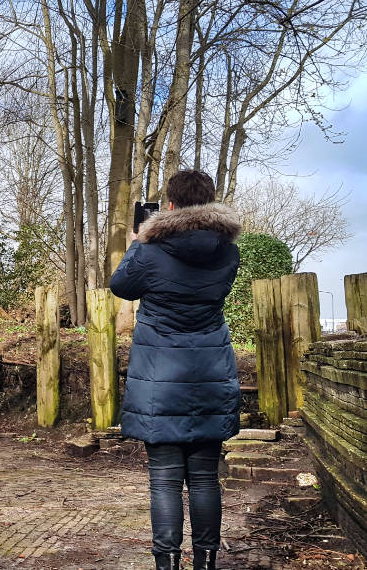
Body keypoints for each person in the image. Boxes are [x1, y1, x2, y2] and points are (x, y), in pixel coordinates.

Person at [110, 170, 242, 570]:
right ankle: (205, 563)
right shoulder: (228, 252)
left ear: (168, 204)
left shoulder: (149, 251)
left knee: (164, 478)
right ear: (208, 202)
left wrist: (139, 242)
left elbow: (121, 286)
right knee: (204, 478)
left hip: (159, 381)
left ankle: (166, 564)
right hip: (210, 375)